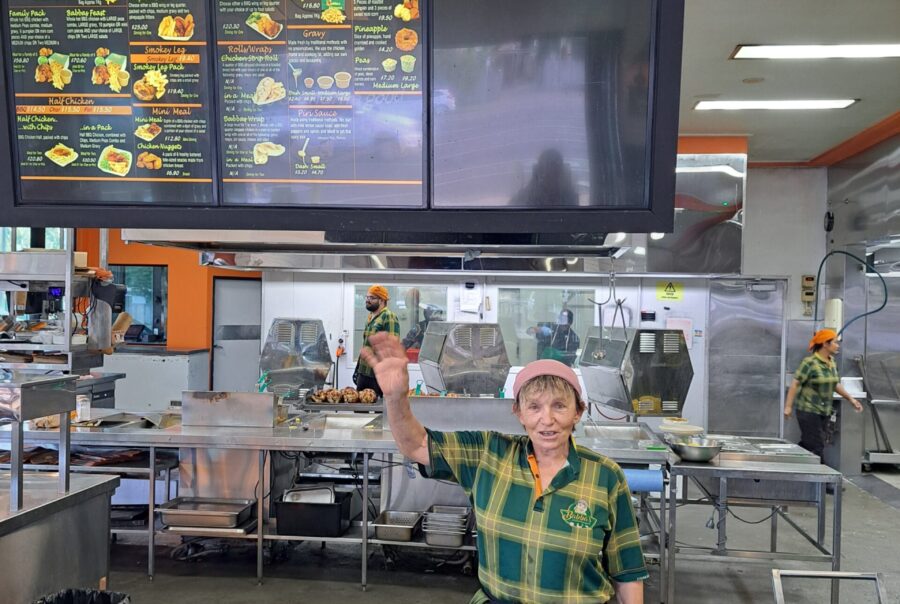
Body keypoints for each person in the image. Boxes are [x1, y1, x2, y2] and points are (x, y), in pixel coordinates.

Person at [361, 332, 647, 604]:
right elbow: (416, 445)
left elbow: (628, 574)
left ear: (578, 412)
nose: (547, 419)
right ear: (519, 413)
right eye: (534, 407)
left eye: (559, 406)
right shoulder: (489, 455)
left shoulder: (605, 477)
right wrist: (396, 397)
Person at [784, 329, 863, 463]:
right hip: (808, 410)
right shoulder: (810, 363)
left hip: (824, 411)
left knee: (809, 444)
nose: (838, 345)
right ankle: (824, 481)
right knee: (817, 446)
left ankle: (791, 464)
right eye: (835, 343)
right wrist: (788, 407)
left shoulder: (831, 362)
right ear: (825, 344)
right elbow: (795, 384)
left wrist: (851, 399)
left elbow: (835, 384)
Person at [353, 285, 399, 398]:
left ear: (382, 300)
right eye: (367, 297)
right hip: (364, 372)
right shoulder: (370, 317)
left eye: (372, 298)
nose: (367, 300)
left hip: (378, 375)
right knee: (360, 409)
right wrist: (358, 369)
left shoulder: (388, 316)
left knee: (379, 411)